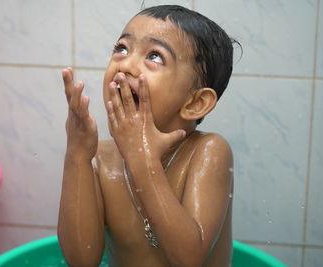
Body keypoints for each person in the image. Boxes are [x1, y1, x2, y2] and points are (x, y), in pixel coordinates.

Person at [58, 5, 237, 267]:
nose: (126, 64)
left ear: (195, 103)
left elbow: (190, 259)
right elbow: (82, 260)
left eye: (154, 56)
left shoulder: (208, 152)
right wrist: (77, 153)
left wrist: (142, 159)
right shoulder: (101, 160)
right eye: (122, 48)